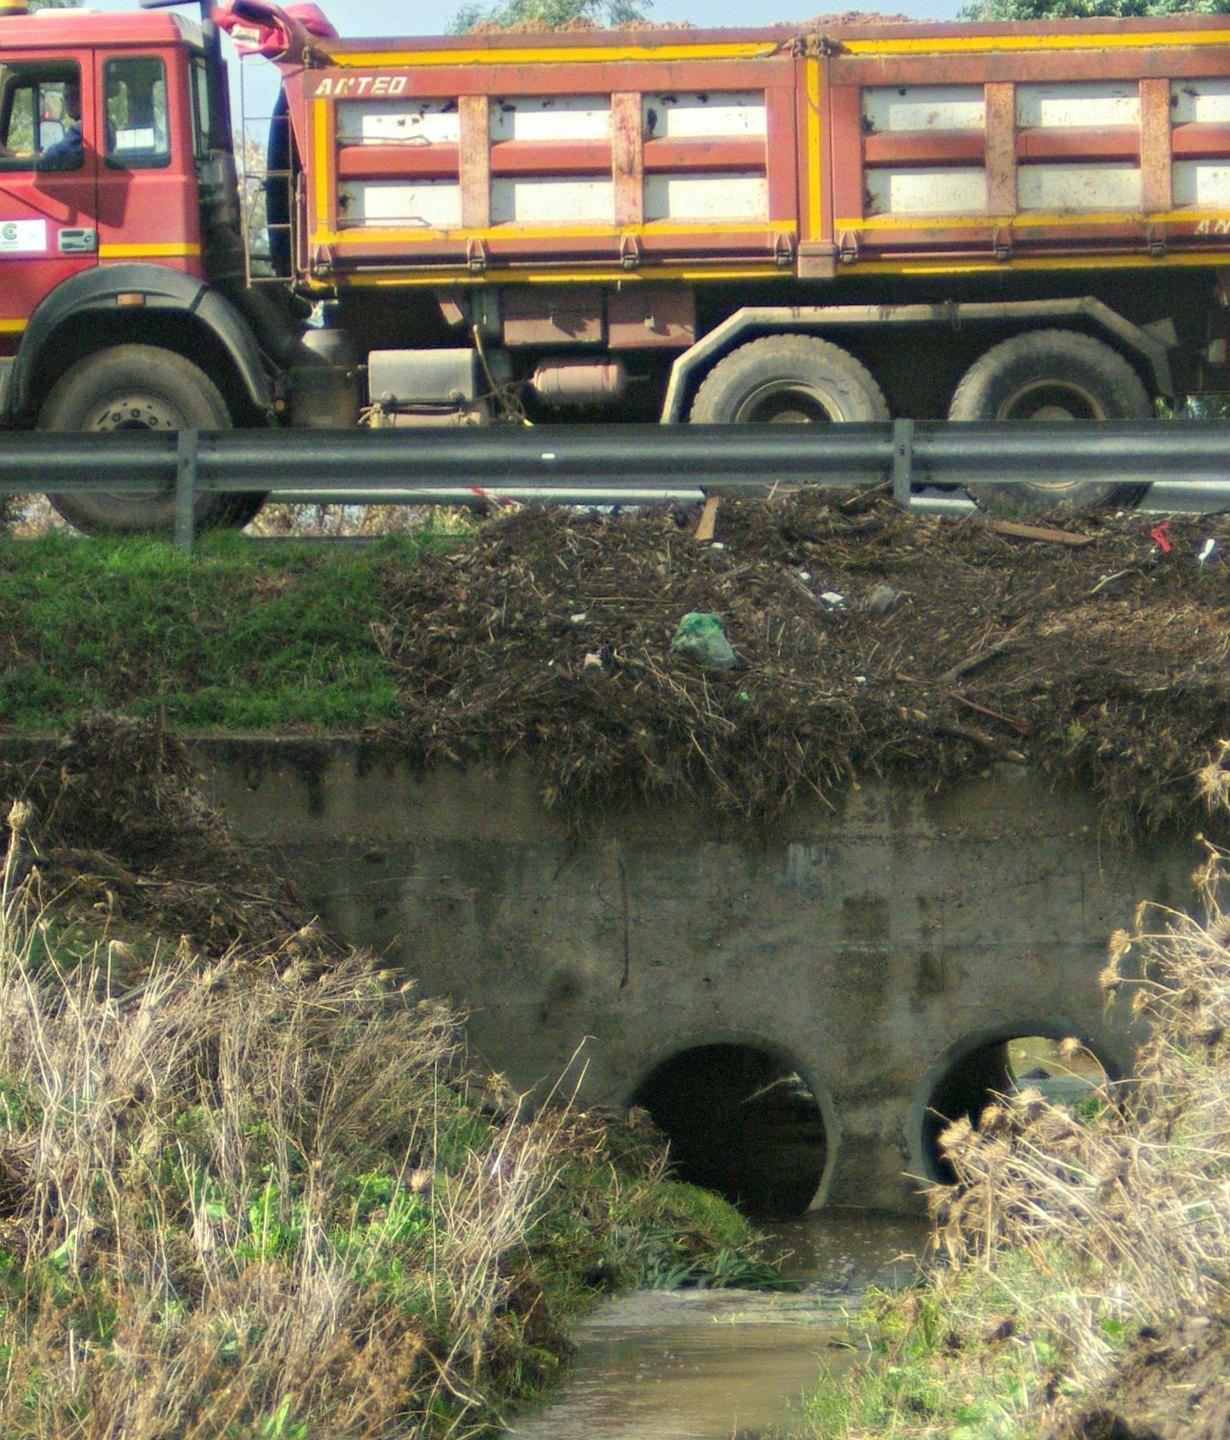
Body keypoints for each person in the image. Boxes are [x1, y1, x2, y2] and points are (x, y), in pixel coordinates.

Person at [35, 82, 83, 171]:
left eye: (75, 96)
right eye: (66, 97)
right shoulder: (105, 125)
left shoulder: (81, 129)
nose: (69, 101)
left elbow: (53, 155)